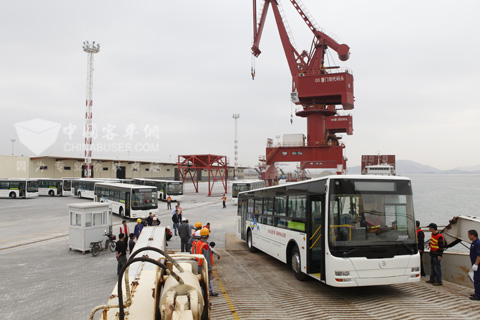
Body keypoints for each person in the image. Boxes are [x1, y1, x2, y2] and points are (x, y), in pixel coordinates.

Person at [193, 228, 218, 296]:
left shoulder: (197, 243)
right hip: (203, 266)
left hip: (197, 264)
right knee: (205, 283)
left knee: (200, 282)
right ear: (207, 236)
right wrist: (210, 270)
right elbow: (207, 259)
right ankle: (205, 299)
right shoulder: (205, 246)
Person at [468, 230, 480, 300]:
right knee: (475, 279)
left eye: (469, 235)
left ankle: (478, 295)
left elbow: (479, 255)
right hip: (474, 263)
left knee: (478, 279)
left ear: (473, 235)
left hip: (478, 265)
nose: (468, 236)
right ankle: (477, 292)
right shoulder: (473, 243)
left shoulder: (478, 243)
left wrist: (476, 264)